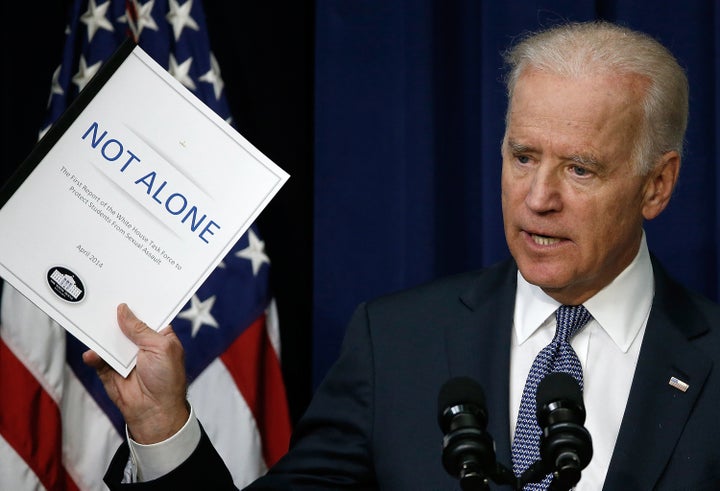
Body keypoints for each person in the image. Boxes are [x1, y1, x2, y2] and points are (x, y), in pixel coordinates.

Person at [85, 20, 720, 490]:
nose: (538, 198)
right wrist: (160, 423)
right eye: (523, 156)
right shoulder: (395, 342)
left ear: (657, 184)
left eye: (580, 170)